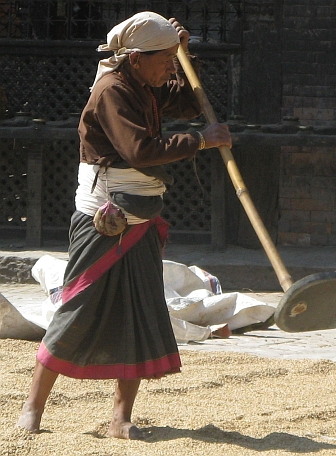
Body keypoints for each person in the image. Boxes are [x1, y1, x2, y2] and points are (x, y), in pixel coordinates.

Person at [16, 11, 232, 440]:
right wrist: (202, 140)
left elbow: (189, 102)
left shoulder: (144, 87)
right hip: (106, 219)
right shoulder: (112, 90)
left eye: (174, 59)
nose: (170, 67)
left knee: (137, 311)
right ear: (135, 58)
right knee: (76, 308)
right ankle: (32, 407)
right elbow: (138, 150)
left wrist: (187, 55)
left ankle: (121, 417)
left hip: (143, 217)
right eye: (165, 59)